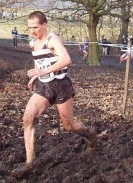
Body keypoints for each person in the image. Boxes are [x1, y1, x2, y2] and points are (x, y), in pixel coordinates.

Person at [11, 11, 97, 178]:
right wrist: (37, 76)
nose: (32, 31)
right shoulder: (33, 43)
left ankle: (91, 136)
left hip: (61, 86)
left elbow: (66, 59)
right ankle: (29, 164)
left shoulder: (53, 39)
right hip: (44, 86)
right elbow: (40, 60)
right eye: (29, 28)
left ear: (44, 24)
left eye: (35, 27)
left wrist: (43, 71)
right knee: (28, 118)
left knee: (69, 125)